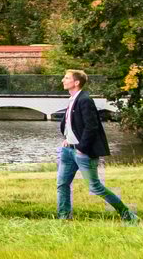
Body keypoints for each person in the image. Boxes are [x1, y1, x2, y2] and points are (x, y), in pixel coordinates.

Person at [54, 69, 138, 223]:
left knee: (95, 187)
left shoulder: (85, 100)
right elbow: (72, 123)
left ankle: (128, 215)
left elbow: (91, 126)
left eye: (66, 78)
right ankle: (63, 218)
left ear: (76, 82)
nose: (63, 80)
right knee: (62, 184)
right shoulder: (73, 99)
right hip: (68, 150)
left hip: (82, 152)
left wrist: (81, 147)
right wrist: (67, 138)